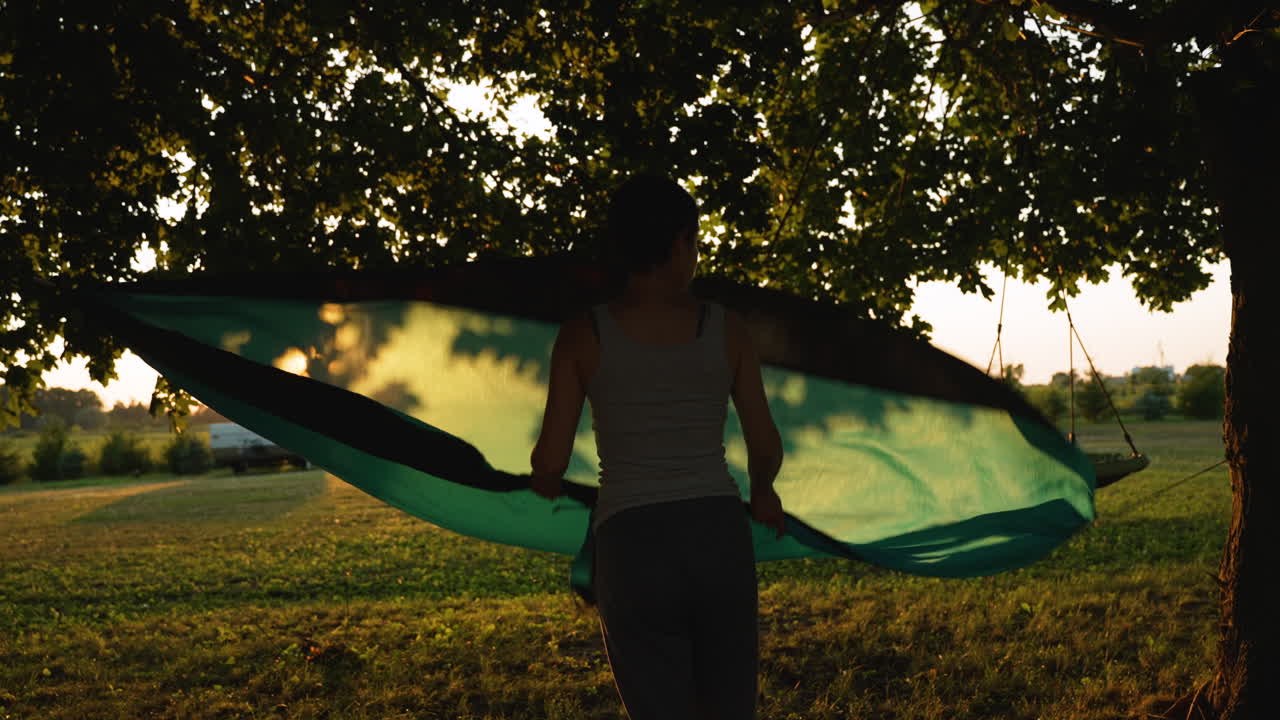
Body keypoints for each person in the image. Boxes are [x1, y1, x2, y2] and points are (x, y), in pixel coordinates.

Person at [529, 173, 786, 720]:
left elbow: (550, 461)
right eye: (694, 241)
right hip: (717, 536)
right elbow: (764, 443)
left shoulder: (583, 334)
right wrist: (763, 491)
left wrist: (545, 480)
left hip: (631, 546)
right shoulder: (726, 328)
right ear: (677, 245)